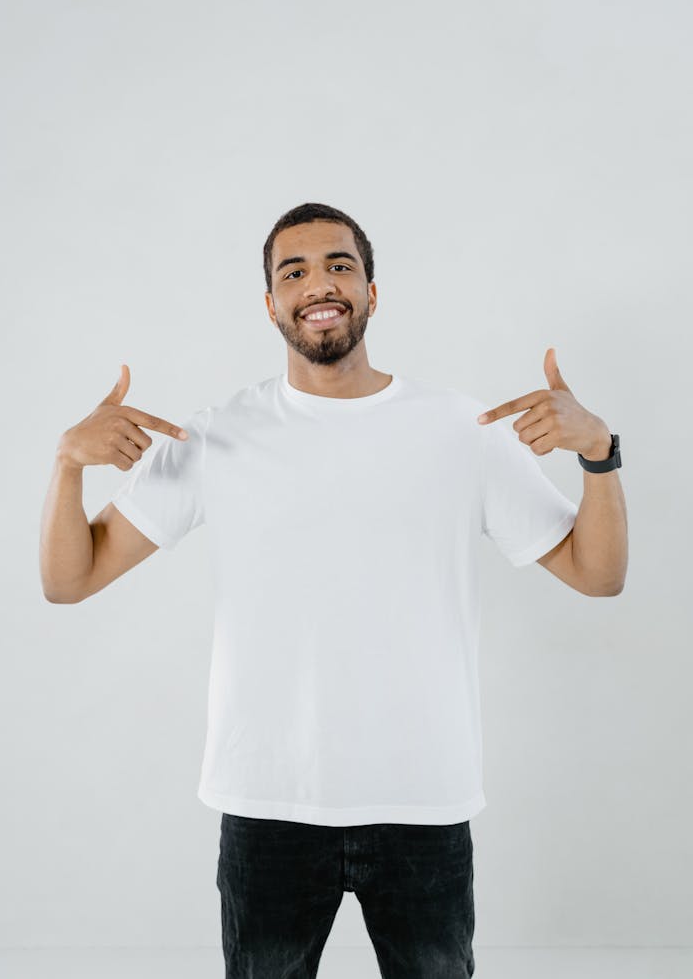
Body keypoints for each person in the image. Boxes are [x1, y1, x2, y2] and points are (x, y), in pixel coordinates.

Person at [40, 201, 627, 978]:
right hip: (268, 802)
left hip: (423, 802)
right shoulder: (218, 436)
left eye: (340, 265)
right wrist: (67, 464)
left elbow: (599, 573)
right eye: (295, 270)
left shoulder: (463, 428)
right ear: (272, 304)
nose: (320, 284)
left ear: (372, 293)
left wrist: (599, 453)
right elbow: (68, 578)